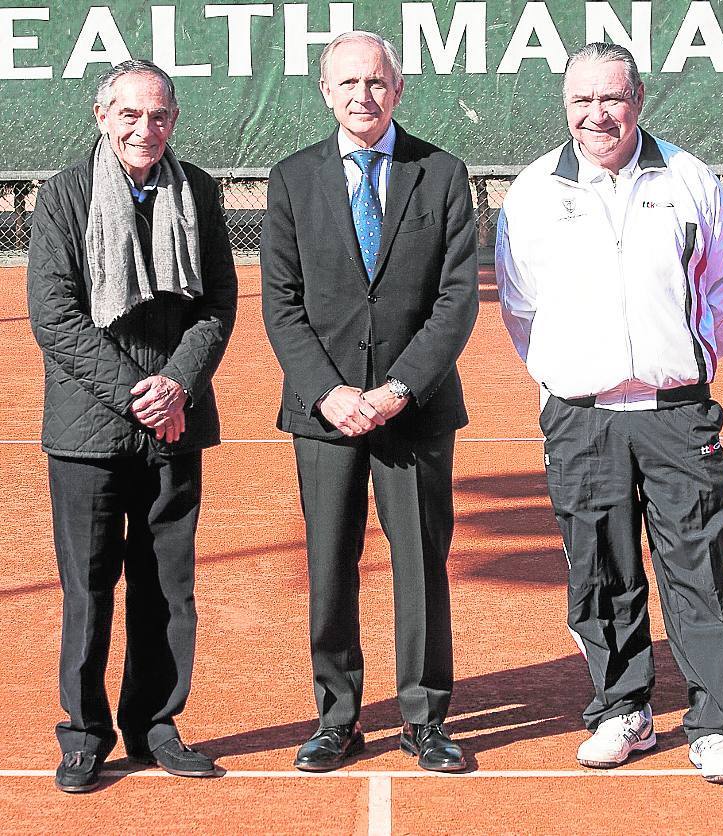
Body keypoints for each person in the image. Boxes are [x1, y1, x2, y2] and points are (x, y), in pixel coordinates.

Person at [496, 42, 723, 784]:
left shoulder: (689, 179)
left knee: (699, 571)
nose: (597, 114)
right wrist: (572, 378)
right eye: (582, 100)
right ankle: (622, 710)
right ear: (565, 106)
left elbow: (722, 290)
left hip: (676, 415)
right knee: (599, 571)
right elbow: (520, 306)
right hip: (582, 419)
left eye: (611, 98)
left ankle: (714, 724)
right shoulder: (533, 192)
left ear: (638, 99)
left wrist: (679, 367)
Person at [261, 31, 478, 773]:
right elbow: (281, 303)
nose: (363, 95)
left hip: (413, 410)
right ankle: (337, 717)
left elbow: (455, 300)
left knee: (420, 564)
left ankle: (425, 718)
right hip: (323, 415)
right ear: (326, 92)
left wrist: (395, 390)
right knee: (330, 564)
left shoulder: (442, 173)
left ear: (398, 88)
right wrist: (329, 393)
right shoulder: (291, 179)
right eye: (348, 83)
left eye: (376, 81)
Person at [27, 60, 237, 792]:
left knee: (167, 587)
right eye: (129, 114)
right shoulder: (63, 195)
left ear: (173, 120)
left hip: (174, 423)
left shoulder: (198, 191)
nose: (145, 128)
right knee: (89, 589)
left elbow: (217, 303)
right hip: (87, 432)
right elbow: (55, 316)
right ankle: (84, 734)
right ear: (101, 116)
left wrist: (177, 385)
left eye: (158, 115)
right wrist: (136, 394)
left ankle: (155, 726)